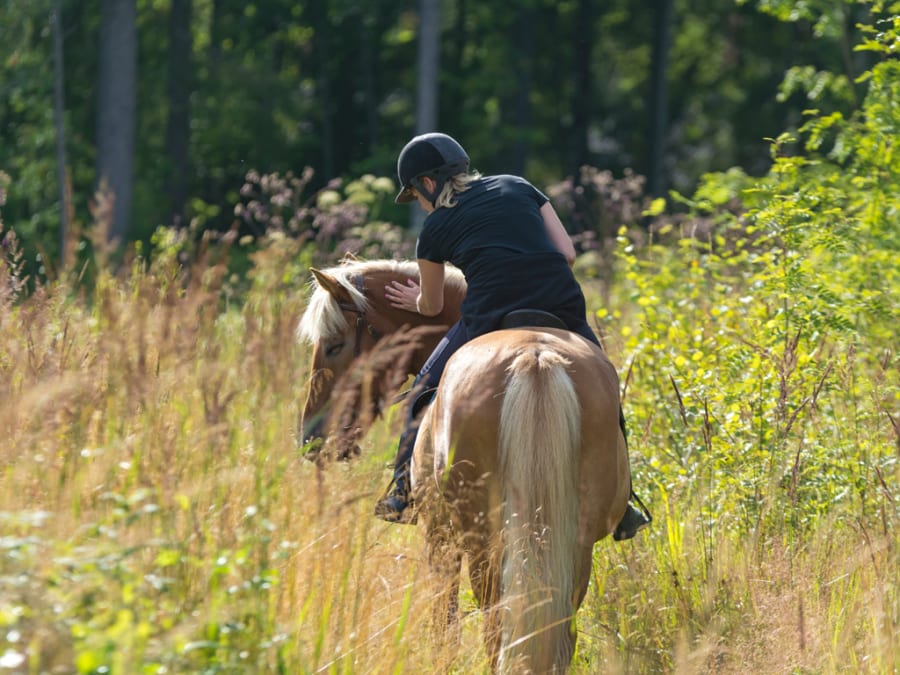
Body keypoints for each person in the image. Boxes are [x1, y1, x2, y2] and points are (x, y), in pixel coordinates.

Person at [374, 131, 651, 541]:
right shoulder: (518, 186)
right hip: (561, 307)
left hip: (489, 317)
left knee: (421, 392)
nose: (418, 201)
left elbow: (432, 307)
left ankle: (401, 491)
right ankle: (625, 498)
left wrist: (416, 298)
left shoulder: (434, 229)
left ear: (428, 184)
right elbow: (568, 255)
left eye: (415, 194)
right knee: (605, 385)